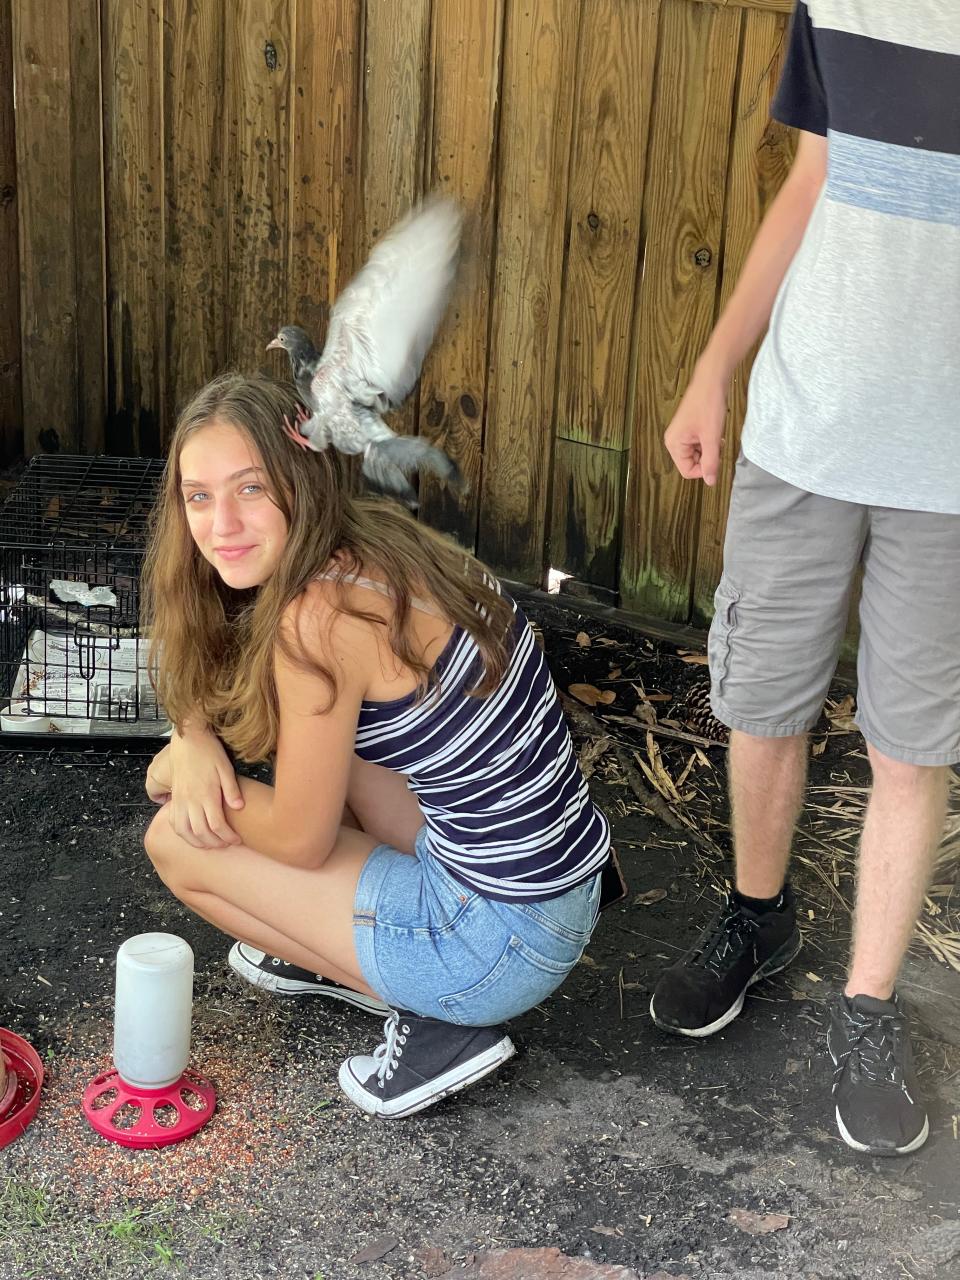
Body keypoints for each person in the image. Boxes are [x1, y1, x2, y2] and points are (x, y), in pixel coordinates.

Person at [652, 0, 959, 1156]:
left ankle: (869, 1009)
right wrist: (713, 367)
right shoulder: (834, 3)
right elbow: (809, 179)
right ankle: (757, 918)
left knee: (910, 745)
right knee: (763, 702)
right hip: (803, 429)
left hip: (949, 462)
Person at [141, 371, 612, 1118]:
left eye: (250, 489)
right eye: (198, 496)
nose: (220, 522)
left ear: (300, 478)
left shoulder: (318, 617)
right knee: (344, 753)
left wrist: (184, 774)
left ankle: (439, 1023)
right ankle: (338, 946)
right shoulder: (376, 544)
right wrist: (194, 733)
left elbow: (299, 838)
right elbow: (229, 685)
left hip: (495, 944)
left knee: (176, 837)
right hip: (558, 888)